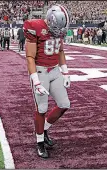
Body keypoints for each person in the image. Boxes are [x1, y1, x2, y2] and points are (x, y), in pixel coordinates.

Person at [23, 4, 71, 158]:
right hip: (41, 71)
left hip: (55, 70)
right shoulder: (35, 27)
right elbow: (30, 57)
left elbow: (61, 51)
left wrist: (65, 72)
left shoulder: (58, 29)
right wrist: (36, 81)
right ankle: (39, 142)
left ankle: (44, 129)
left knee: (64, 104)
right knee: (42, 108)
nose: (59, 32)